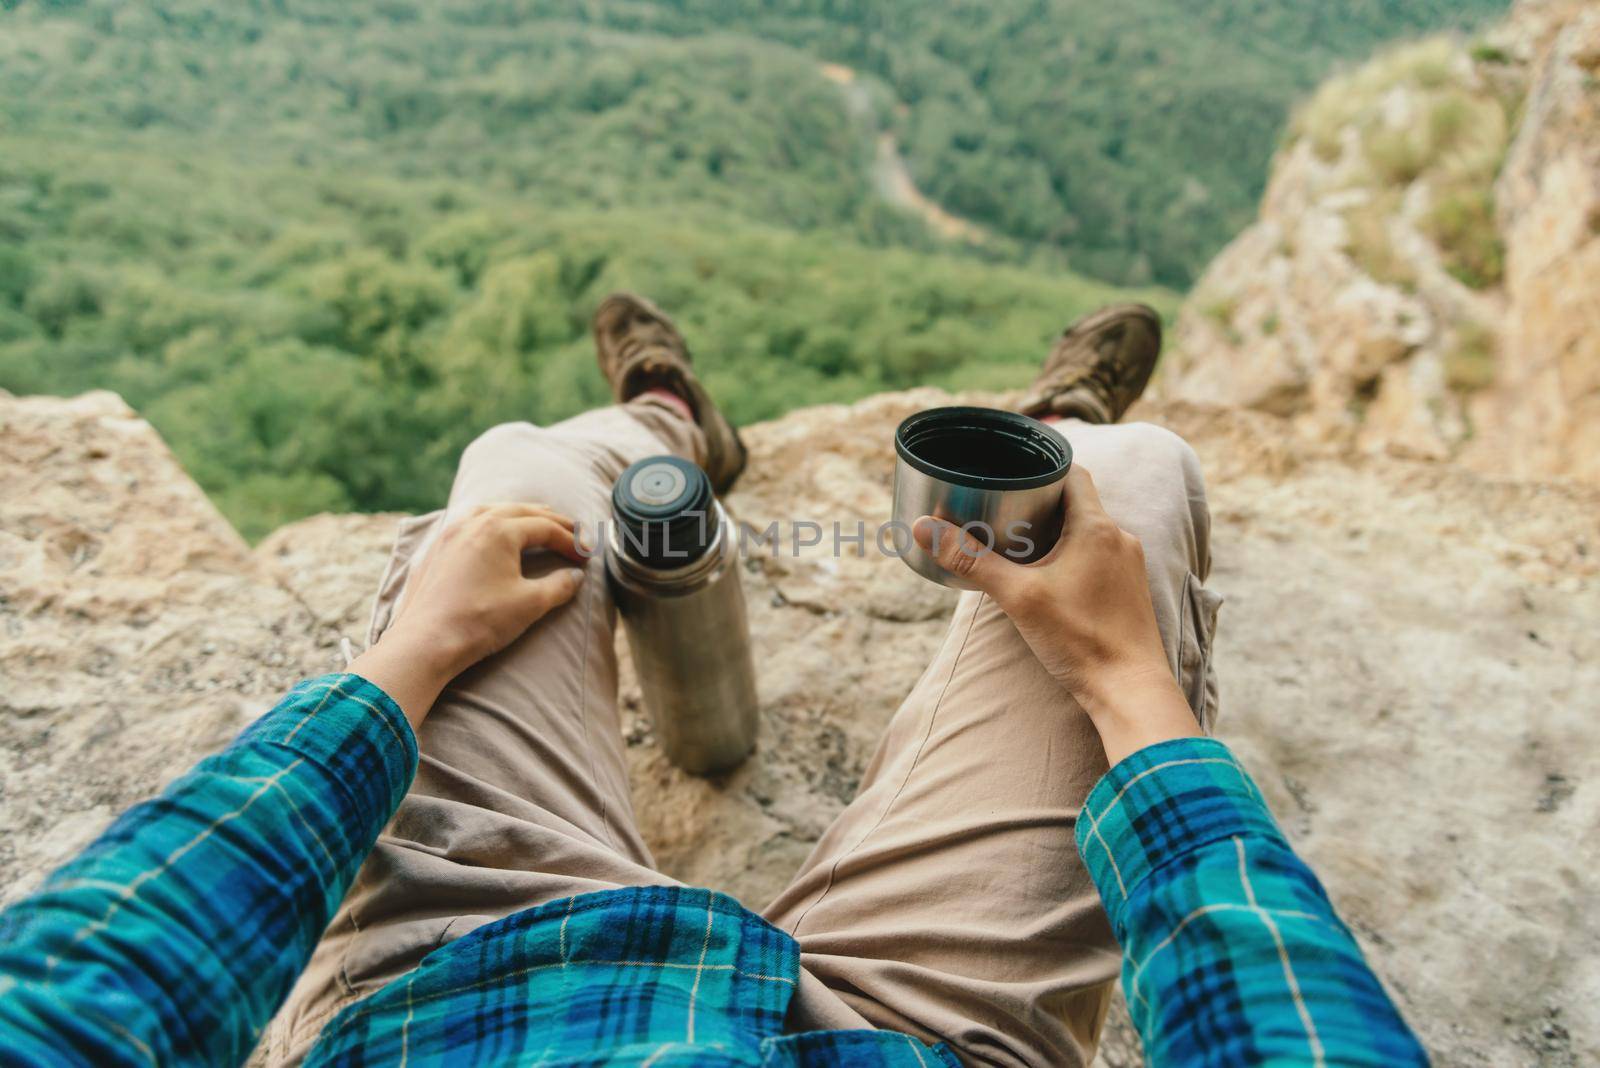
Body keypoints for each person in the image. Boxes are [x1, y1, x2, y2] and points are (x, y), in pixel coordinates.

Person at [0, 294, 1425, 1067]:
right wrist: (1130, 687)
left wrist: (407, 660)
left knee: (517, 473)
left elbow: (106, 966)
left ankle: (665, 420)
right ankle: (1048, 430)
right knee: (1126, 479)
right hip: (923, 1037)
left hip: (461, 991)